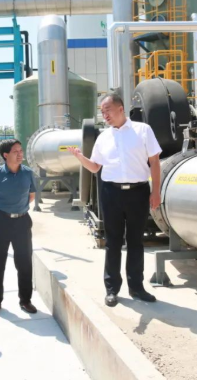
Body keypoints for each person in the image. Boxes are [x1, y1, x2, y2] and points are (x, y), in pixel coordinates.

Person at [69, 92, 162, 307]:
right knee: (112, 242)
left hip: (138, 192)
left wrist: (155, 191)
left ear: (121, 108)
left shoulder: (143, 130)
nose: (105, 115)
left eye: (107, 110)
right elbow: (95, 167)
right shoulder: (104, 137)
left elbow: (155, 162)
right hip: (111, 193)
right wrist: (80, 157)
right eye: (102, 112)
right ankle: (111, 289)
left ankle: (137, 288)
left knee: (136, 241)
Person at [0, 139, 37, 317]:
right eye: (16, 151)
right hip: (1, 221)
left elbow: (31, 196)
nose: (20, 154)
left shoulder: (28, 173)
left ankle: (25, 300)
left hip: (22, 221)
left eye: (21, 151)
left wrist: (18, 209)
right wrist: (6, 211)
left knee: (24, 262)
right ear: (5, 155)